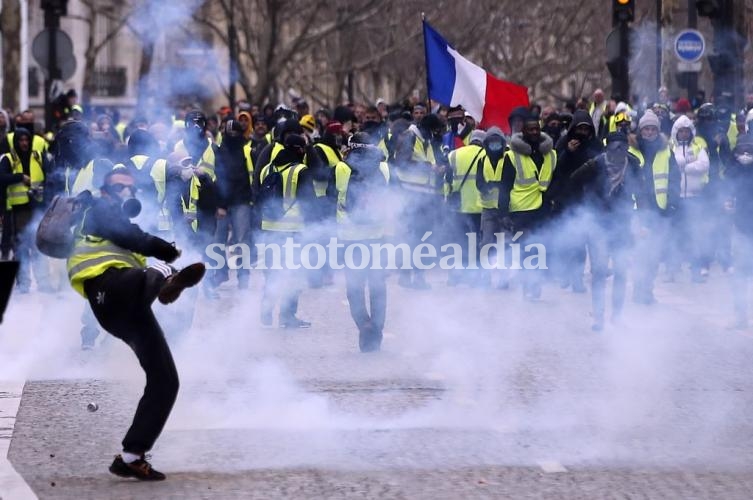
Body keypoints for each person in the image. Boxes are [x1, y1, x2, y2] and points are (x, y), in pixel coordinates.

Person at [67, 169, 205, 480]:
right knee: (155, 265)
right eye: (119, 186)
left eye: (130, 187)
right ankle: (165, 280)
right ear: (106, 189)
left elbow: (131, 238)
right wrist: (169, 250)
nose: (126, 192)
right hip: (108, 290)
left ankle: (132, 454)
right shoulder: (98, 209)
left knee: (166, 379)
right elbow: (136, 238)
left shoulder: (116, 224)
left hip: (126, 310)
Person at [570, 132, 643, 331]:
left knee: (620, 272)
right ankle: (599, 318)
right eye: (614, 148)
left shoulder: (634, 165)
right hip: (598, 226)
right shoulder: (595, 165)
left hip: (622, 224)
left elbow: (642, 192)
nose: (618, 153)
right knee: (599, 272)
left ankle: (617, 316)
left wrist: (643, 219)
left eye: (622, 148)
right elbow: (573, 181)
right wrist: (587, 206)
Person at [335, 132, 390, 352]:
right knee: (378, 287)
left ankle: (365, 326)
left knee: (355, 288)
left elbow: (333, 198)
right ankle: (376, 330)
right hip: (377, 236)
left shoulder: (341, 168)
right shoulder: (384, 168)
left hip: (350, 238)